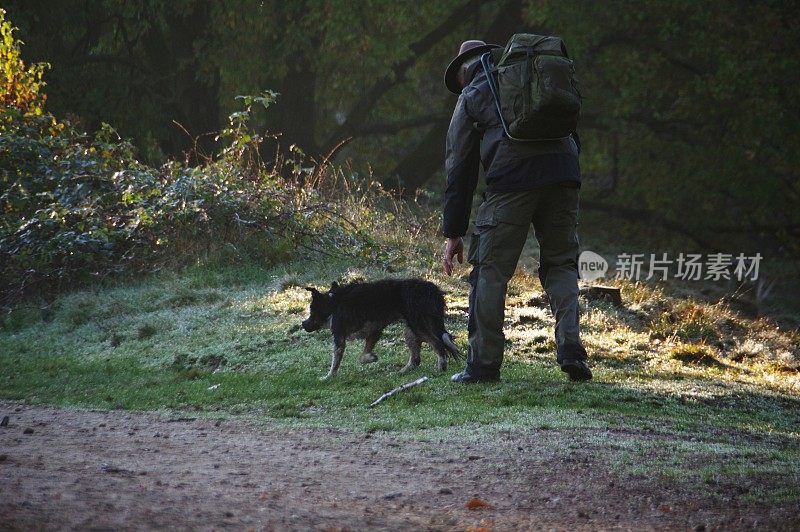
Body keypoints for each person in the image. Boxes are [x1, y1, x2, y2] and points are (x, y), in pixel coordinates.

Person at [441, 39, 592, 383]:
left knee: (490, 270)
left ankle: (483, 365)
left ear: (464, 70)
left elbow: (459, 167)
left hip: (513, 180)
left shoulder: (474, 92)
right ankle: (571, 349)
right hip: (565, 172)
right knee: (561, 264)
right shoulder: (528, 83)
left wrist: (454, 232)